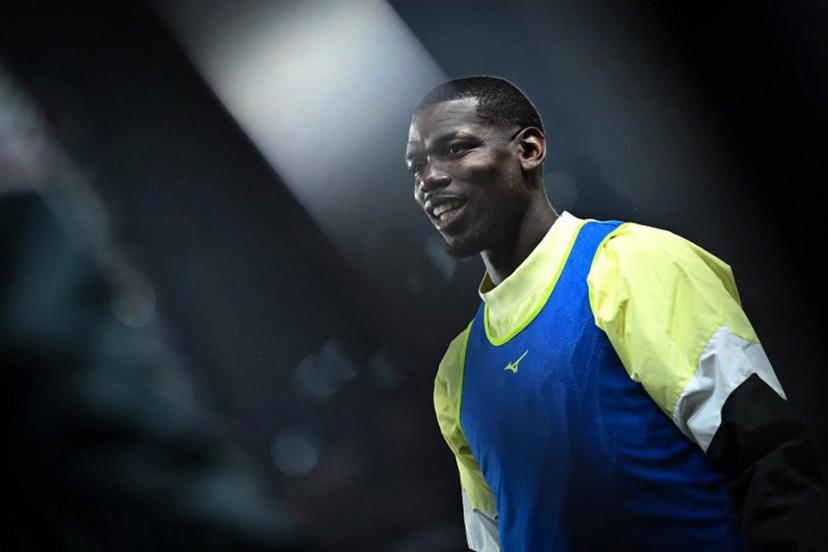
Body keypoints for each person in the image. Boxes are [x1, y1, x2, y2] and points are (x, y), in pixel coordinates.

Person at [404, 75, 828, 551]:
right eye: (416, 165)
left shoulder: (633, 263)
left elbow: (770, 458)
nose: (429, 178)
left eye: (456, 149)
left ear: (528, 150)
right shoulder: (456, 375)